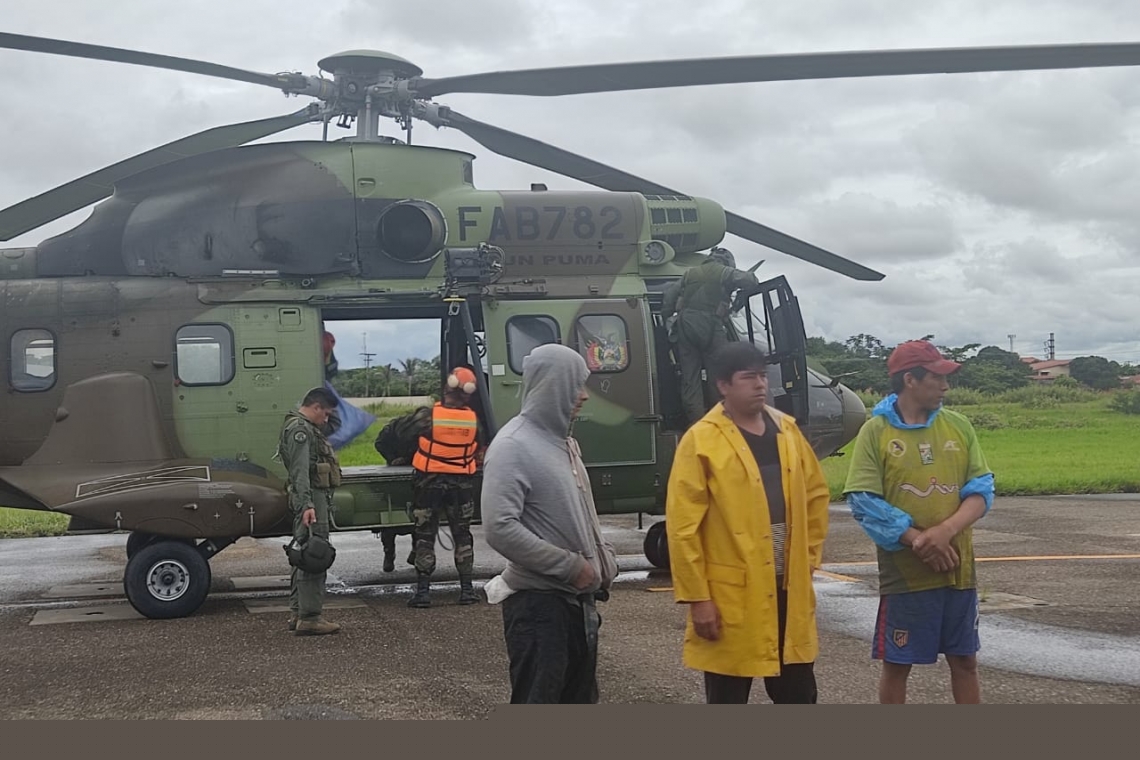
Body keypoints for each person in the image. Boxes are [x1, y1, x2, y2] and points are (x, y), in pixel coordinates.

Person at [665, 341, 830, 703]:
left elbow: (816, 497)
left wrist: (809, 557)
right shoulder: (701, 440)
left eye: (762, 376)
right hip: (731, 595)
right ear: (724, 385)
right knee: (728, 696)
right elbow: (683, 527)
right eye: (748, 378)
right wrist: (698, 598)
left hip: (789, 587)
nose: (760, 385)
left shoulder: (786, 429)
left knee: (798, 694)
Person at [843, 339, 995, 704]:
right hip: (906, 575)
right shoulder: (876, 432)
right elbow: (864, 501)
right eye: (937, 378)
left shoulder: (958, 426)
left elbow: (981, 490)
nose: (945, 387)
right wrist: (918, 541)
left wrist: (945, 531)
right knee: (898, 663)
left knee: (965, 660)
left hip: (958, 569)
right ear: (909, 380)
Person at [481, 343, 619, 704]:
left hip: (574, 604)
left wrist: (603, 558)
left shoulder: (564, 444)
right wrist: (571, 567)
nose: (584, 396)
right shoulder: (514, 446)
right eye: (576, 386)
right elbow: (499, 527)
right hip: (539, 610)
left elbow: (580, 514)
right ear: (552, 386)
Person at [406, 366, 486, 608]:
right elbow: (479, 446)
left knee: (425, 536)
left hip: (429, 485)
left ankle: (422, 594)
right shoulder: (474, 421)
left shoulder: (427, 416)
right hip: (461, 487)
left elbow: (401, 436)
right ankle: (467, 590)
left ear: (446, 387)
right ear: (469, 394)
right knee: (462, 535)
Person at [662, 247, 760, 427]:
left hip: (686, 326)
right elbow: (751, 280)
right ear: (727, 262)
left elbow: (669, 299)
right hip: (711, 326)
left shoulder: (689, 274)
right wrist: (735, 284)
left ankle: (697, 423)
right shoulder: (723, 272)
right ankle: (719, 422)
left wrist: (666, 320)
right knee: (719, 377)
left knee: (690, 380)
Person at [277, 386, 343, 636]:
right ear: (315, 407)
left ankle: (298, 612)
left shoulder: (298, 425)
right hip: (312, 498)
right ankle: (310, 617)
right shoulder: (301, 430)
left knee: (303, 553)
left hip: (310, 497)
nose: (326, 419)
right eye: (324, 414)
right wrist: (307, 505)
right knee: (315, 554)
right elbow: (300, 471)